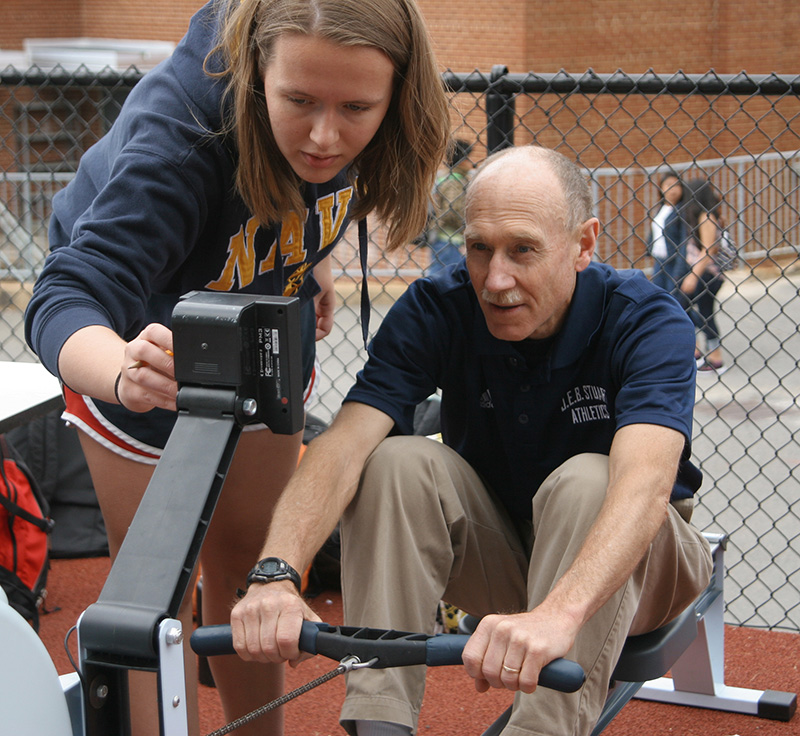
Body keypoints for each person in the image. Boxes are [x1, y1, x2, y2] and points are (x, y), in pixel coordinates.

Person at [24, 0, 449, 734]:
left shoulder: (388, 120)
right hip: (140, 344)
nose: (325, 136)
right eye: (298, 102)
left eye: (355, 107)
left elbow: (317, 179)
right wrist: (121, 371)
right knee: (152, 590)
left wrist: (305, 258)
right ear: (256, 71)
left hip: (262, 330)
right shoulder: (184, 135)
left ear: (399, 90)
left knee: (251, 559)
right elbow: (65, 293)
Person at [231, 145, 714, 736]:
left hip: (635, 568)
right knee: (394, 461)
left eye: (524, 250)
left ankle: (541, 729)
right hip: (508, 557)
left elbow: (645, 486)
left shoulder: (647, 320)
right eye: (479, 248)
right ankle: (378, 722)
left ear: (583, 245)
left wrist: (557, 616)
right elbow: (343, 445)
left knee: (590, 477)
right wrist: (276, 574)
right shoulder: (440, 307)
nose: (496, 279)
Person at [681, 178, 729, 373]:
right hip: (705, 273)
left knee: (704, 312)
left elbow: (709, 250)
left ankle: (715, 359)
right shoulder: (704, 215)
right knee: (692, 309)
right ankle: (699, 352)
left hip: (707, 274)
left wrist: (693, 275)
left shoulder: (706, 216)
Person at [426, 138, 473, 274]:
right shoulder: (455, 181)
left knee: (440, 275)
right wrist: (466, 229)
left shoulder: (443, 177)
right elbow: (450, 212)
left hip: (444, 238)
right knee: (445, 277)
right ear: (463, 160)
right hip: (450, 238)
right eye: (468, 158)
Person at [647, 170, 691, 299]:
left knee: (674, 300)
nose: (673, 189)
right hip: (659, 261)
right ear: (661, 188)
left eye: (677, 185)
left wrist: (680, 269)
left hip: (674, 261)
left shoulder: (682, 211)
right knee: (659, 297)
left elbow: (684, 239)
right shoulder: (661, 208)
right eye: (669, 184)